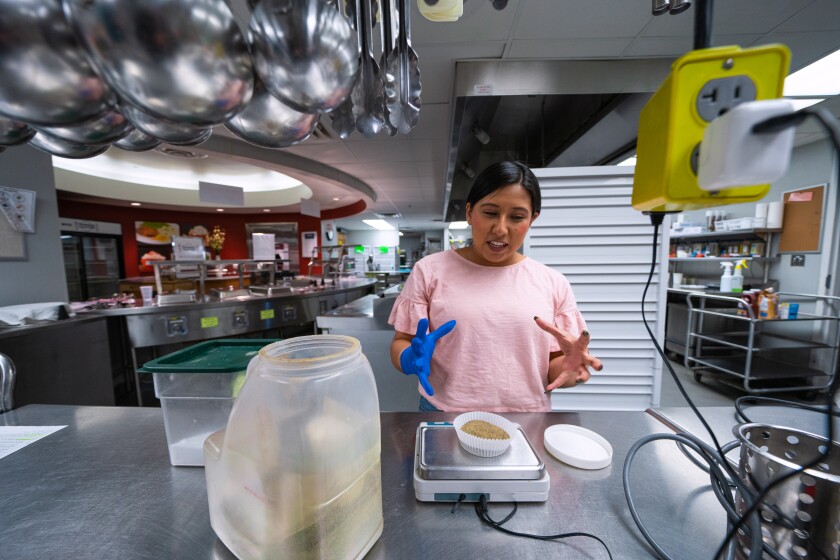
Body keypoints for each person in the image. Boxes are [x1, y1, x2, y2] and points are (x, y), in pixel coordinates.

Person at [388, 161, 602, 412]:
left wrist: (569, 369)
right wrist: (408, 358)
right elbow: (401, 341)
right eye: (490, 213)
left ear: (532, 219)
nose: (501, 229)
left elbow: (552, 364)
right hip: (445, 412)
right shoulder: (430, 271)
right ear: (469, 212)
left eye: (517, 217)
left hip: (526, 419)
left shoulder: (553, 283)